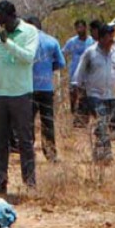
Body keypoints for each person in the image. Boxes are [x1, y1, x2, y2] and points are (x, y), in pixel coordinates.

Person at [0, 1, 39, 195]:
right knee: (0, 140)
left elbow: (28, 57)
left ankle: (30, 183)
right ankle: (0, 182)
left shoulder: (29, 32)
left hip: (21, 93)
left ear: (13, 16)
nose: (0, 22)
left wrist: (6, 41)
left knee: (24, 139)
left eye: (3, 19)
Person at [71, 24, 115, 163]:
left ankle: (99, 152)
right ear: (100, 38)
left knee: (105, 124)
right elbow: (79, 73)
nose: (111, 40)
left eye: (112, 37)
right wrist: (77, 89)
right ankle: (106, 154)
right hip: (94, 95)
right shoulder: (90, 53)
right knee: (102, 121)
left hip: (111, 95)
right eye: (108, 37)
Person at [25, 16, 65, 162]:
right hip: (47, 88)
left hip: (28, 88)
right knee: (47, 121)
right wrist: (47, 69)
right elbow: (60, 63)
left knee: (27, 121)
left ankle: (28, 152)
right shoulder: (52, 41)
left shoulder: (25, 42)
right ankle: (51, 154)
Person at [63, 19, 95, 128]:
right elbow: (63, 53)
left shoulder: (91, 41)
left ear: (85, 28)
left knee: (85, 98)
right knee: (73, 97)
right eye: (77, 28)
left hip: (87, 76)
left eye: (81, 27)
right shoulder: (71, 42)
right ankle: (74, 117)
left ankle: (83, 121)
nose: (79, 30)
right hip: (74, 75)